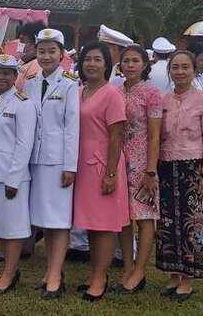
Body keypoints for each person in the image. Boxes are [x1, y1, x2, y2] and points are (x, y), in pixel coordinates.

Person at [157, 50, 203, 302]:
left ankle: (188, 278)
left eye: (185, 67)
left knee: (192, 222)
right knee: (167, 222)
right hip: (165, 167)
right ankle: (173, 273)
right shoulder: (163, 100)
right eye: (175, 67)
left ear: (194, 70)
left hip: (193, 168)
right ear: (169, 70)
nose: (180, 72)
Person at [23, 29, 79, 298]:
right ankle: (50, 271)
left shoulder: (69, 84)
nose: (46, 56)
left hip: (58, 162)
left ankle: (56, 275)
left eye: (51, 51)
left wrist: (70, 166)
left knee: (59, 220)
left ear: (62, 54)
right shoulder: (31, 83)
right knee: (44, 220)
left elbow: (72, 128)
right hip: (35, 160)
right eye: (42, 51)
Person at [72, 41, 128, 302]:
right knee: (91, 224)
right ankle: (94, 272)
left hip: (104, 165)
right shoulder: (79, 91)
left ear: (107, 65)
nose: (91, 64)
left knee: (104, 225)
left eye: (97, 59)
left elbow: (116, 136)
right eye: (87, 59)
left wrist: (111, 174)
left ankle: (100, 278)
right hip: (82, 165)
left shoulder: (112, 94)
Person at [109, 44, 163, 295]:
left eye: (135, 61)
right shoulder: (115, 90)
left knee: (144, 216)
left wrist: (151, 170)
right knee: (123, 217)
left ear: (145, 64)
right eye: (126, 61)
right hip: (120, 159)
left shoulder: (152, 93)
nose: (130, 65)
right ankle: (127, 267)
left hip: (142, 162)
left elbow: (155, 135)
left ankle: (139, 270)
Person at [0, 53, 38, 295]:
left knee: (13, 227)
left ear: (15, 76)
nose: (1, 77)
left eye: (6, 73)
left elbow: (24, 144)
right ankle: (10, 268)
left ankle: (9, 273)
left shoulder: (23, 103)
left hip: (12, 176)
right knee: (0, 224)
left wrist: (13, 179)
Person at [13, 22, 47, 90]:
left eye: (22, 41)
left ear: (34, 44)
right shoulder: (24, 61)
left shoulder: (37, 65)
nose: (19, 45)